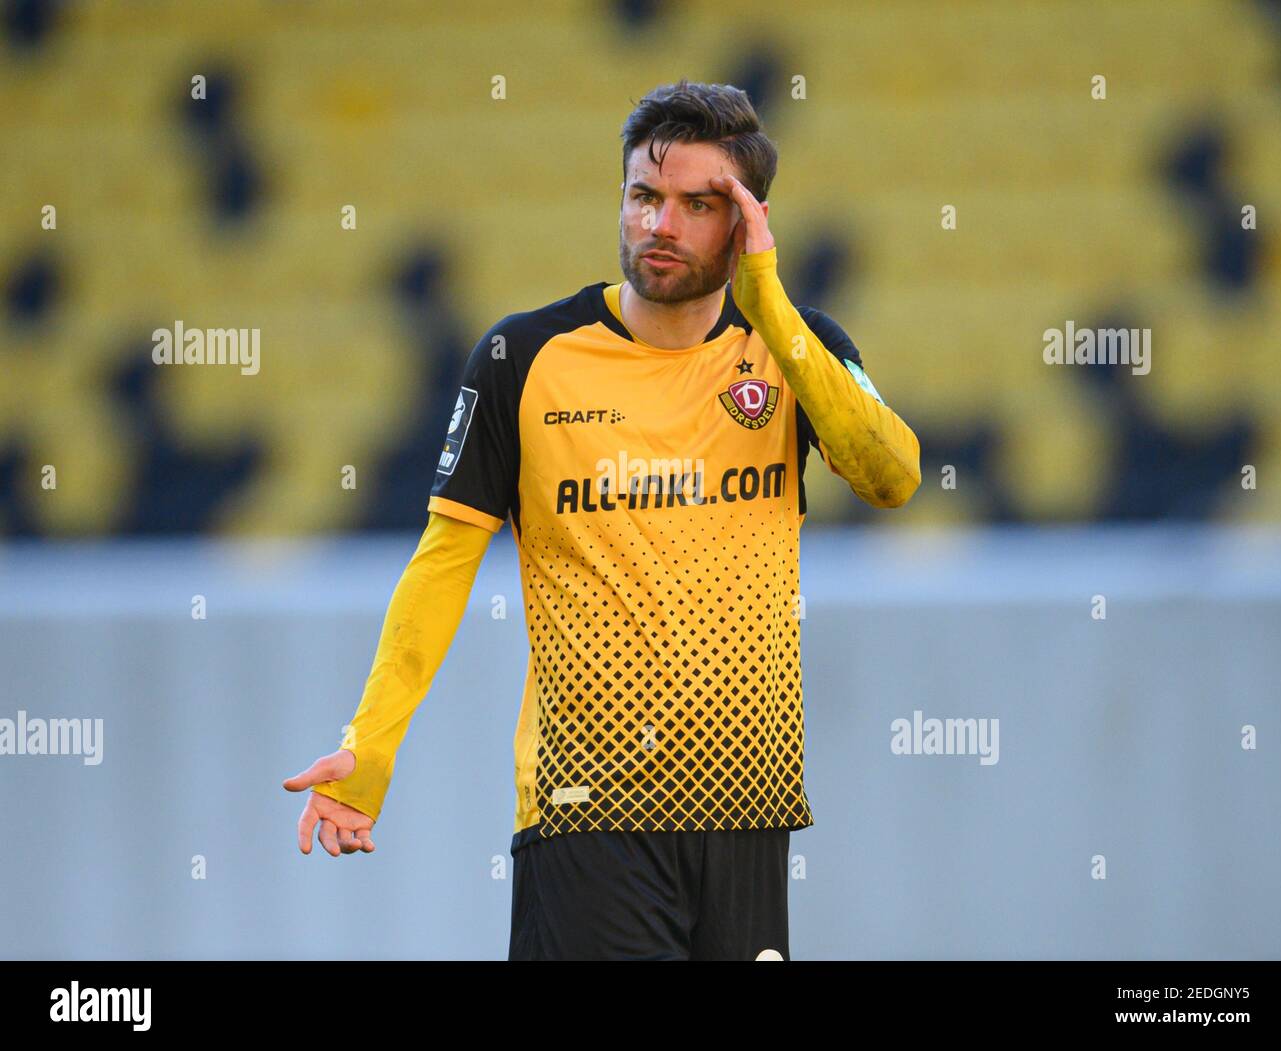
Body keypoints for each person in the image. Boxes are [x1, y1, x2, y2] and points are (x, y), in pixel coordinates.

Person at [283, 78, 921, 960]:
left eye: (699, 205)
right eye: (643, 196)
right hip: (589, 813)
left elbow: (891, 476)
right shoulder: (523, 356)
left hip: (748, 803)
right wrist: (372, 745)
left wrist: (769, 301)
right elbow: (441, 566)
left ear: (745, 222)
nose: (661, 224)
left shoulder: (796, 349)